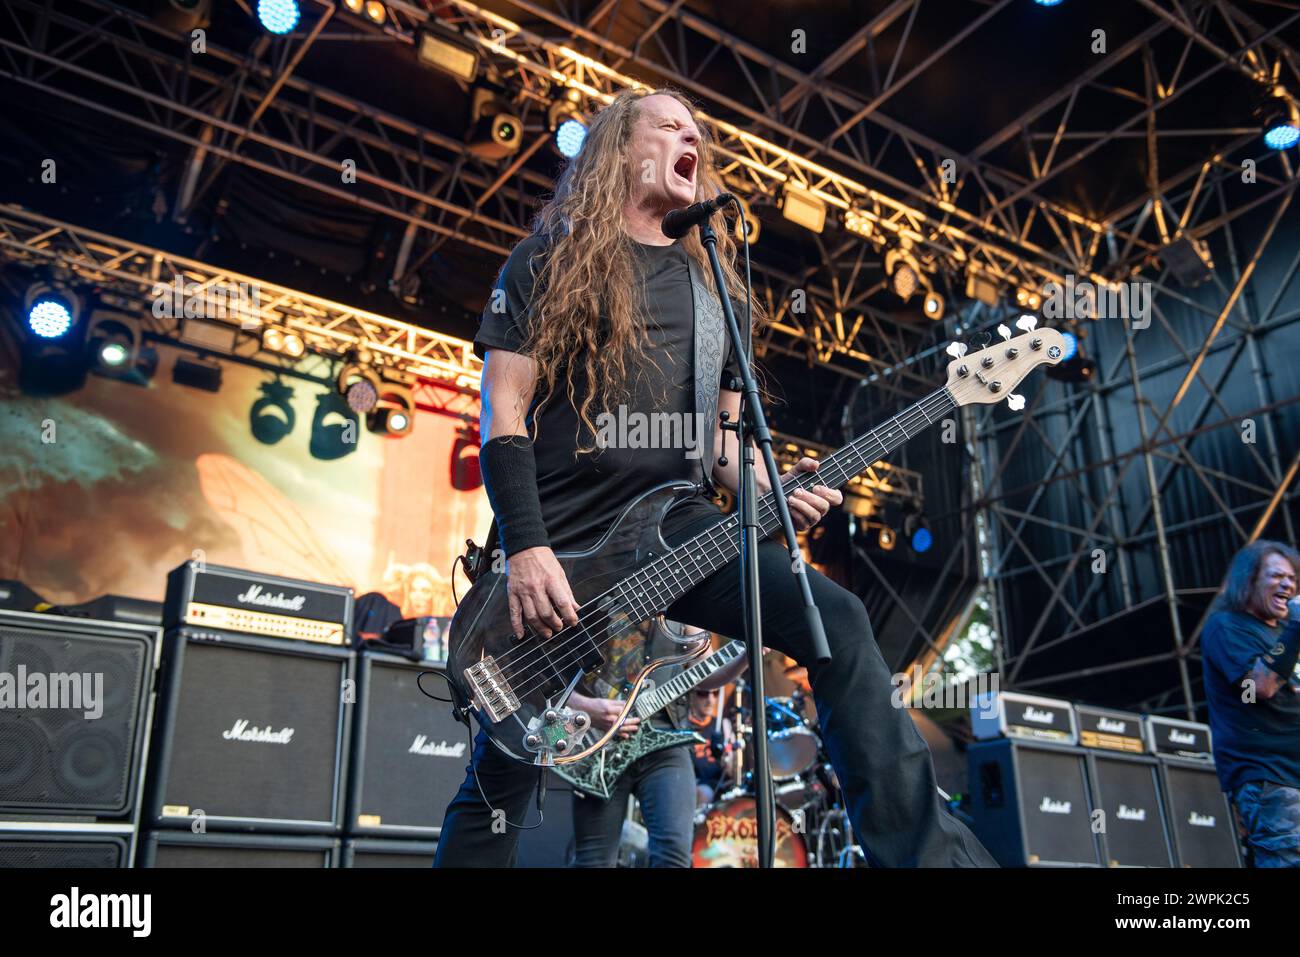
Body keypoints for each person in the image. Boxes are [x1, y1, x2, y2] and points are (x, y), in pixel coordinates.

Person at [434, 86, 995, 868]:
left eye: (698, 131)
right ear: (620, 151)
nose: (688, 137)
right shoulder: (549, 261)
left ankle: (930, 858)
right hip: (562, 541)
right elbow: (504, 413)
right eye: (668, 126)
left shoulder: (719, 291)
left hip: (679, 526)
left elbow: (724, 447)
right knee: (504, 768)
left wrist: (772, 488)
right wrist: (526, 547)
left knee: (832, 617)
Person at [566, 623, 746, 867]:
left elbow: (705, 676)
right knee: (593, 860)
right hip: (601, 741)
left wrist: (748, 655)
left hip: (665, 741)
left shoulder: (683, 608)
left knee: (673, 856)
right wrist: (588, 709)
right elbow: (552, 669)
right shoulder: (596, 590)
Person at [1202, 540, 1300, 867]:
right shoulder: (1226, 626)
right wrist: (1296, 629)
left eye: (1292, 578)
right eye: (1276, 576)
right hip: (1270, 776)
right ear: (1250, 580)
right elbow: (1259, 687)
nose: (1288, 584)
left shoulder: (1284, 633)